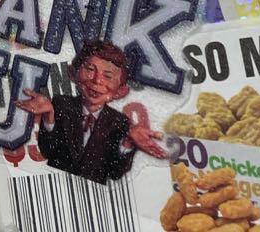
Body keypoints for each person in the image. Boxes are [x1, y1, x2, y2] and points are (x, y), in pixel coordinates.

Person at [15, 40, 167, 183]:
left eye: (108, 76)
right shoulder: (61, 105)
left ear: (120, 91)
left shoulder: (119, 123)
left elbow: (115, 173)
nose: (97, 80)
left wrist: (128, 142)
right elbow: (48, 151)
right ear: (74, 73)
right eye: (90, 69)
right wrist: (49, 116)